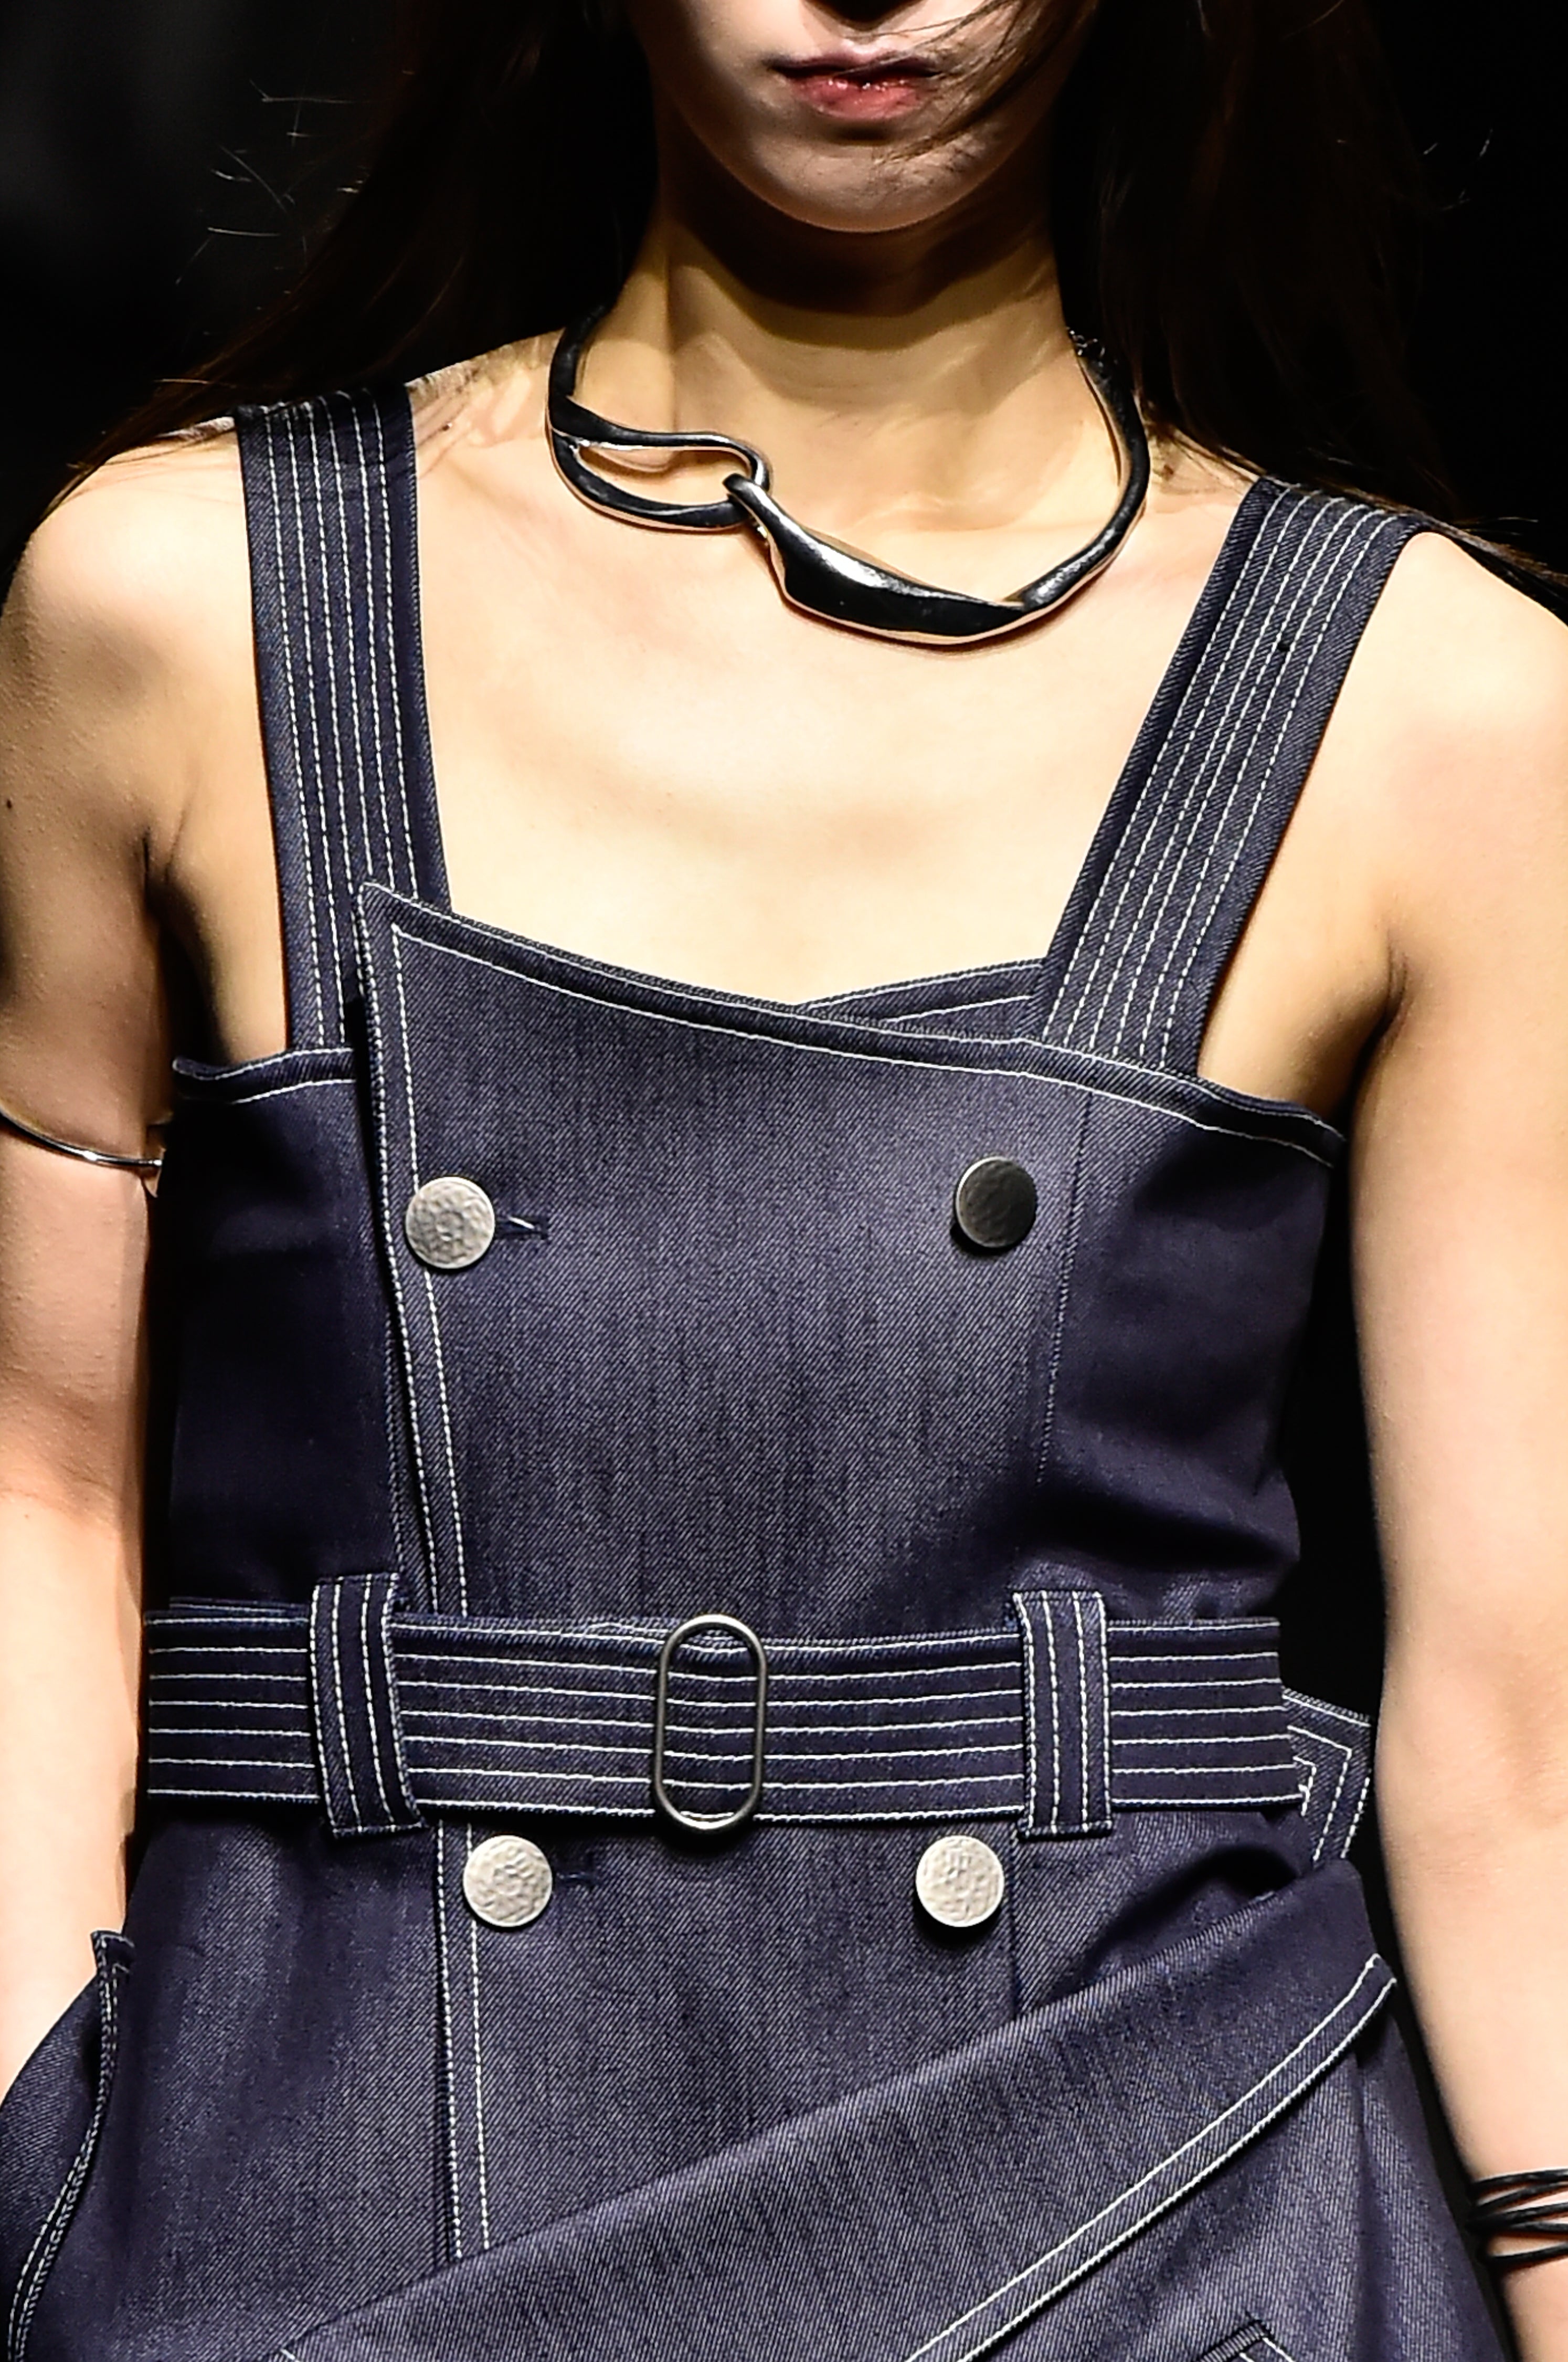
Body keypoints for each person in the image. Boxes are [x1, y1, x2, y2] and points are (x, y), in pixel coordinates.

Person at [1, 0, 1565, 2351]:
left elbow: (1519, 1726)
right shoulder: (184, 603)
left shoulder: (1428, 705)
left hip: (1142, 2229)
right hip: (310, 2192)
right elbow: (40, 1474)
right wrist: (36, 2164)